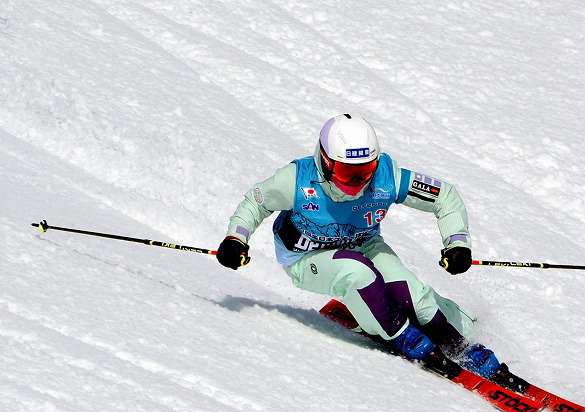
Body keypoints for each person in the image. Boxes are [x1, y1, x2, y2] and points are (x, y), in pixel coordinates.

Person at [216, 113, 527, 391]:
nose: (358, 182)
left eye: (366, 170)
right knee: (356, 272)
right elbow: (255, 202)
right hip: (306, 259)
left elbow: (445, 196)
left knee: (413, 294)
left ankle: (459, 344)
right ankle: (405, 337)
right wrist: (236, 239)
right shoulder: (296, 180)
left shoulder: (386, 178)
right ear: (324, 161)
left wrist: (457, 243)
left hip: (364, 244)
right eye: (347, 172)